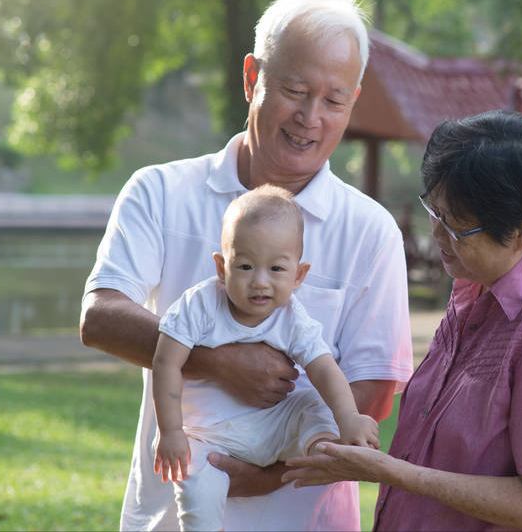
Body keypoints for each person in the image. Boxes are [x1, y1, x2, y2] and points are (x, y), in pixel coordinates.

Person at [80, 0, 413, 531]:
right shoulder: (161, 192)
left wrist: (269, 471)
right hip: (168, 514)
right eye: (295, 89)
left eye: (333, 100)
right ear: (251, 77)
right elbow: (99, 317)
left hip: (305, 517)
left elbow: (373, 391)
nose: (311, 116)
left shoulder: (370, 231)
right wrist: (217, 361)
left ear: (353, 102)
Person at [283, 110, 522, 531]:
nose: (438, 236)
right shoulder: (475, 284)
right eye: (435, 212)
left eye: (457, 227)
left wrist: (388, 471)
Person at [152, 185, 379, 530]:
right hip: (207, 435)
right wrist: (169, 431)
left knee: (314, 404)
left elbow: (323, 367)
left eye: (276, 269)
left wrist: (348, 417)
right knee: (197, 486)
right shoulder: (198, 306)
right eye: (244, 266)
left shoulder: (292, 317)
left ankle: (323, 448)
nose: (259, 282)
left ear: (299, 275)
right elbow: (166, 362)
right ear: (221, 266)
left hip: (273, 429)